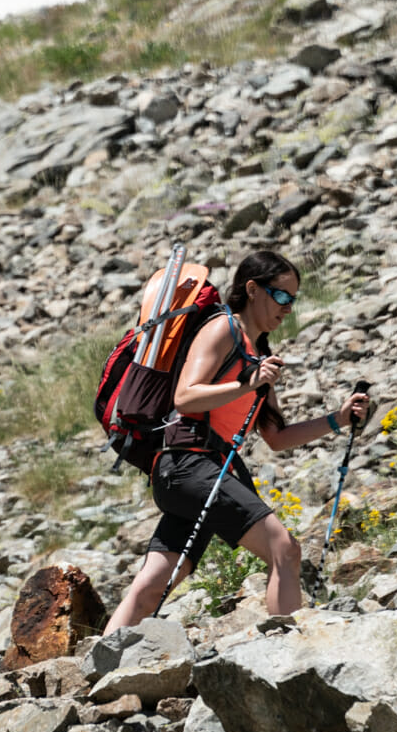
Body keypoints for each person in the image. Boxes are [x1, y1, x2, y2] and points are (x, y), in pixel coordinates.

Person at [105, 245, 370, 630]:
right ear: (252, 289)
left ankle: (98, 671)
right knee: (284, 549)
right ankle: (292, 655)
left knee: (153, 584)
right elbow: (185, 395)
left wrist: (338, 420)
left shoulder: (259, 351)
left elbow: (276, 437)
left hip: (204, 469)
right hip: (189, 462)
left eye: (293, 299)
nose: (288, 307)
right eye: (280, 295)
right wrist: (248, 382)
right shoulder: (223, 329)